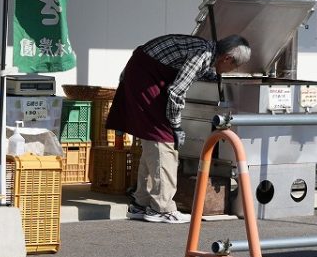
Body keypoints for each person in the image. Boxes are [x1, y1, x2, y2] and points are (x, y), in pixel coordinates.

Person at [106, 33, 251, 223]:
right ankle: (161, 208)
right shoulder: (202, 55)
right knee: (163, 140)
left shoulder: (206, 52)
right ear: (227, 58)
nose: (231, 71)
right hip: (145, 78)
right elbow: (176, 92)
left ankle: (140, 203)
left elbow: (191, 73)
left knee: (152, 141)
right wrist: (176, 126)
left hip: (142, 73)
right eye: (234, 67)